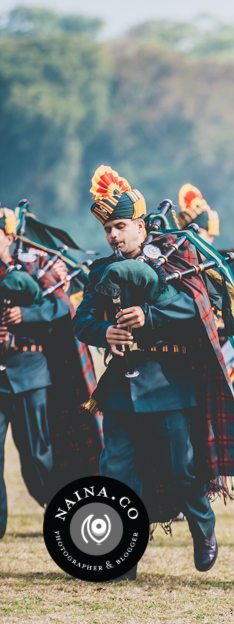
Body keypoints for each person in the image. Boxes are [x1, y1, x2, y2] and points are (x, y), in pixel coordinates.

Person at [73, 165, 234, 579]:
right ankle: (121, 556)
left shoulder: (177, 256)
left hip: (170, 381)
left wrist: (147, 316)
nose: (113, 235)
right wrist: (106, 331)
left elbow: (195, 309)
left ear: (139, 224)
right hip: (120, 385)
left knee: (181, 468)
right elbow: (82, 322)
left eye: (120, 226)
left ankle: (204, 529)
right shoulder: (101, 271)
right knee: (116, 472)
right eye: (107, 229)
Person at [0, 206, 101, 539]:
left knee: (37, 456)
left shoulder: (38, 262)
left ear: (10, 235)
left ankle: (63, 513)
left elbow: (61, 306)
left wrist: (25, 315)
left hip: (30, 371)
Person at [178, 183, 234, 516]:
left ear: (210, 233)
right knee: (190, 428)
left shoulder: (232, 259)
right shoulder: (176, 264)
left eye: (198, 230)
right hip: (191, 353)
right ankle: (196, 497)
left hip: (227, 350)